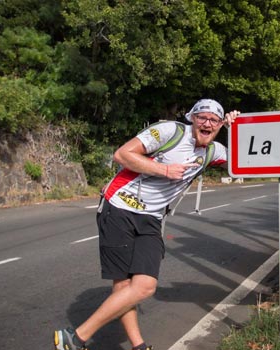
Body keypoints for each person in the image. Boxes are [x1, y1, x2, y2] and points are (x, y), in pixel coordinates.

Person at [54, 99, 240, 350]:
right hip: (119, 208)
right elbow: (122, 154)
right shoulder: (169, 132)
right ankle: (136, 346)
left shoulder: (213, 151)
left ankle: (75, 337)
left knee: (143, 286)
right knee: (123, 286)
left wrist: (238, 127)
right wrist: (164, 170)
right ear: (192, 119)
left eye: (214, 120)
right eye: (202, 117)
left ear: (219, 125)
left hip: (152, 218)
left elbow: (246, 160)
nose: (207, 123)